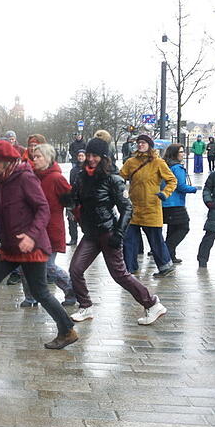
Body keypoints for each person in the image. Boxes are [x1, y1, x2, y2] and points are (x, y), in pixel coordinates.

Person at [0, 140, 78, 350]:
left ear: (8, 161)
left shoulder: (25, 178)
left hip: (32, 247)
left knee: (40, 292)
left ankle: (67, 330)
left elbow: (43, 209)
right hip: (10, 247)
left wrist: (31, 235)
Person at [65, 138, 168, 325]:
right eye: (88, 155)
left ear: (104, 157)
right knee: (75, 269)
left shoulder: (113, 179)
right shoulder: (82, 177)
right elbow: (74, 199)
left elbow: (127, 208)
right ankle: (85, 306)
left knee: (120, 274)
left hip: (108, 232)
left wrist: (119, 233)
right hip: (90, 233)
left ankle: (152, 304)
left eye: (94, 155)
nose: (90, 159)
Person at [119, 134, 177, 278]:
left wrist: (165, 193)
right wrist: (120, 190)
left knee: (155, 239)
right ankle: (129, 268)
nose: (140, 145)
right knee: (128, 239)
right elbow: (120, 177)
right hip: (133, 207)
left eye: (144, 143)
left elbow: (172, 181)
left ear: (150, 146)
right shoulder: (131, 162)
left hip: (151, 207)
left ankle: (165, 266)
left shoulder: (158, 162)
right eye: (139, 143)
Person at [29, 144, 76, 307]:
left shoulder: (56, 178)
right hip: (34, 230)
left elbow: (71, 200)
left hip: (51, 229)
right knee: (31, 265)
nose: (34, 160)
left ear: (48, 158)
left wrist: (76, 216)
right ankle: (33, 296)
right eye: (33, 157)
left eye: (38, 156)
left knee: (48, 266)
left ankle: (71, 288)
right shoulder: (32, 177)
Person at [162, 144, 198, 263]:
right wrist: (194, 189)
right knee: (183, 227)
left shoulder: (164, 165)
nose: (183, 154)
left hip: (164, 202)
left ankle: (170, 256)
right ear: (175, 154)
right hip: (175, 203)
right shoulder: (177, 168)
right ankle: (166, 249)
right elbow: (181, 186)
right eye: (181, 152)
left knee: (172, 229)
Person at [67, 149, 86, 245]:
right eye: (79, 156)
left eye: (82, 156)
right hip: (75, 197)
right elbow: (71, 184)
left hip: (86, 197)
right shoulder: (73, 170)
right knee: (71, 217)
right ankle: (73, 238)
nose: (81, 157)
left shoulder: (89, 168)